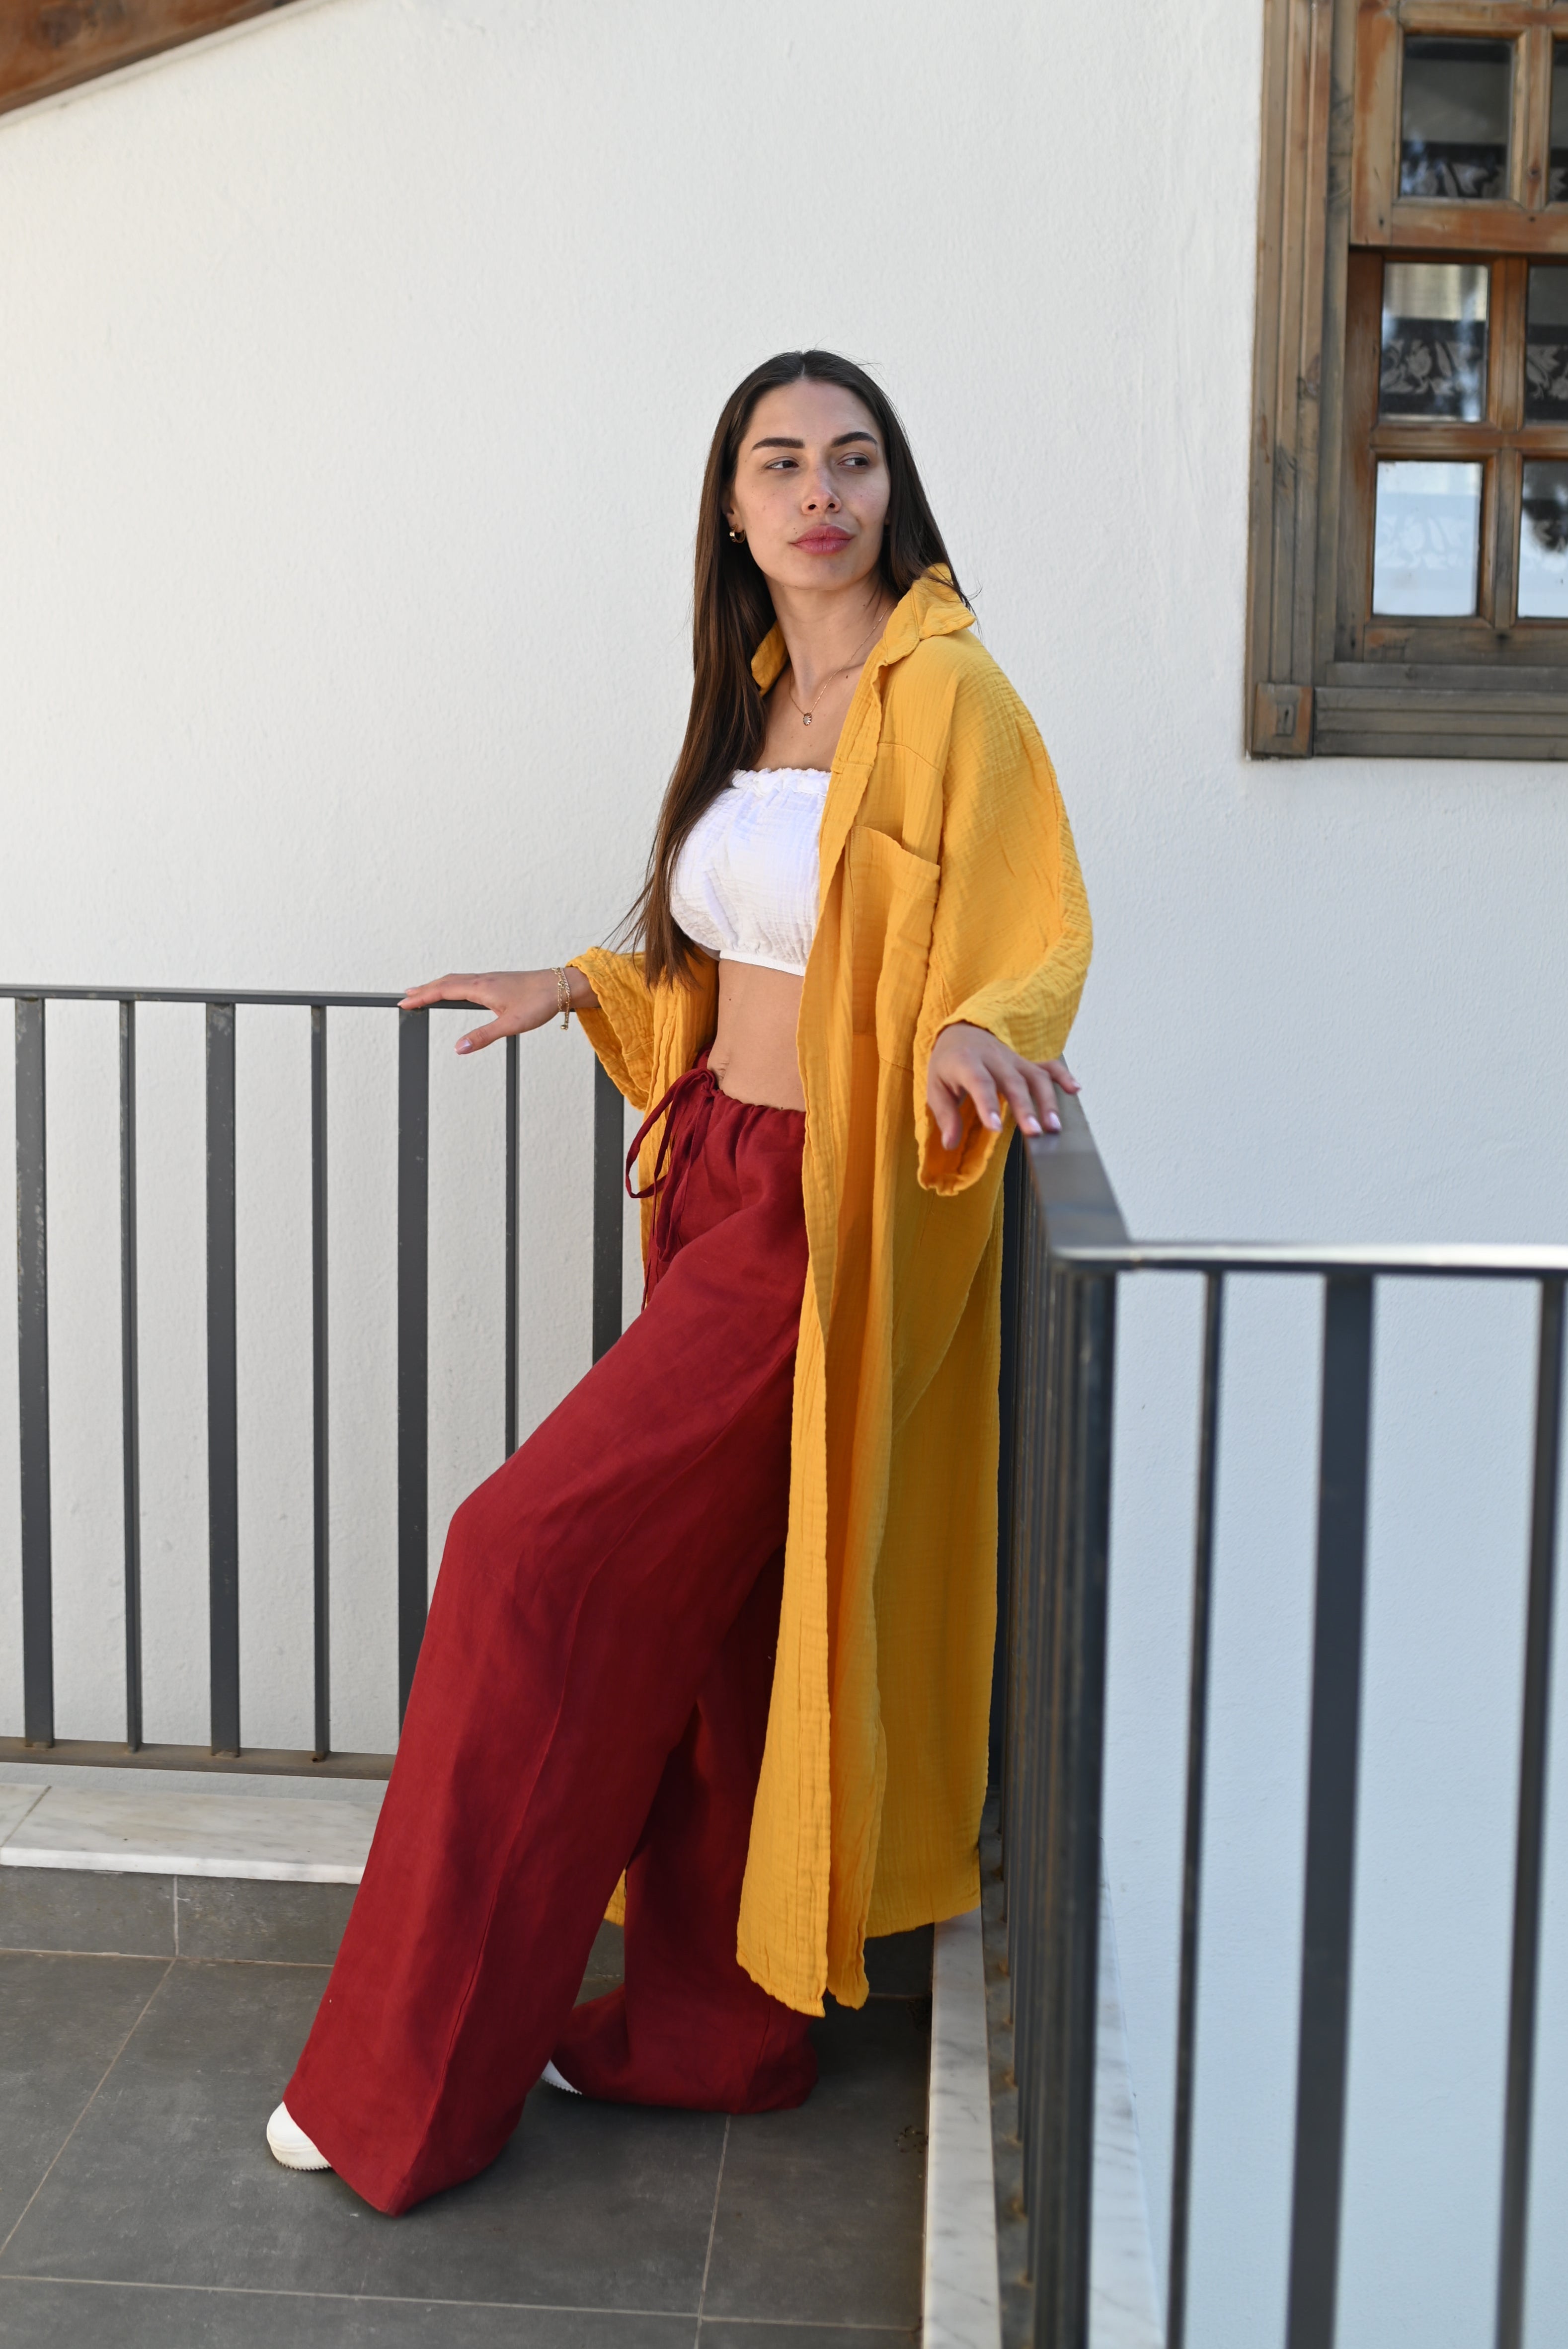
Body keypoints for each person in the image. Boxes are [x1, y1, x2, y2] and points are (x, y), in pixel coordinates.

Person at [266, 348, 1091, 2215]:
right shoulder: (758, 692)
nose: (821, 492)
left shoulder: (945, 693)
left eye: (854, 459)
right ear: (731, 507)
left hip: (821, 1215)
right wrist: (586, 986)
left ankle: (404, 2085)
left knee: (521, 1555)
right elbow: (726, 964)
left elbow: (1034, 927)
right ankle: (710, 2036)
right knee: (719, 1627)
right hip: (710, 1174)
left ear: (894, 490)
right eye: (781, 463)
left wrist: (974, 1031)